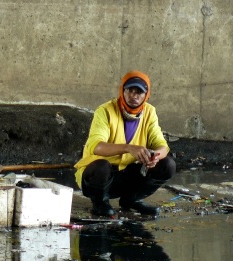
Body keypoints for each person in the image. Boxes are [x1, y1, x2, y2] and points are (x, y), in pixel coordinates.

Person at [74, 71, 176, 218]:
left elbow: (162, 145)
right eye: (130, 90)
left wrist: (155, 157)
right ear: (123, 90)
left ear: (146, 95)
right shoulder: (105, 111)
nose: (134, 96)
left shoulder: (149, 112)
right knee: (101, 166)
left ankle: (131, 199)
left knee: (168, 164)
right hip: (101, 178)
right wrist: (128, 148)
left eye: (139, 92)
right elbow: (96, 146)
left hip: (127, 176)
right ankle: (100, 203)